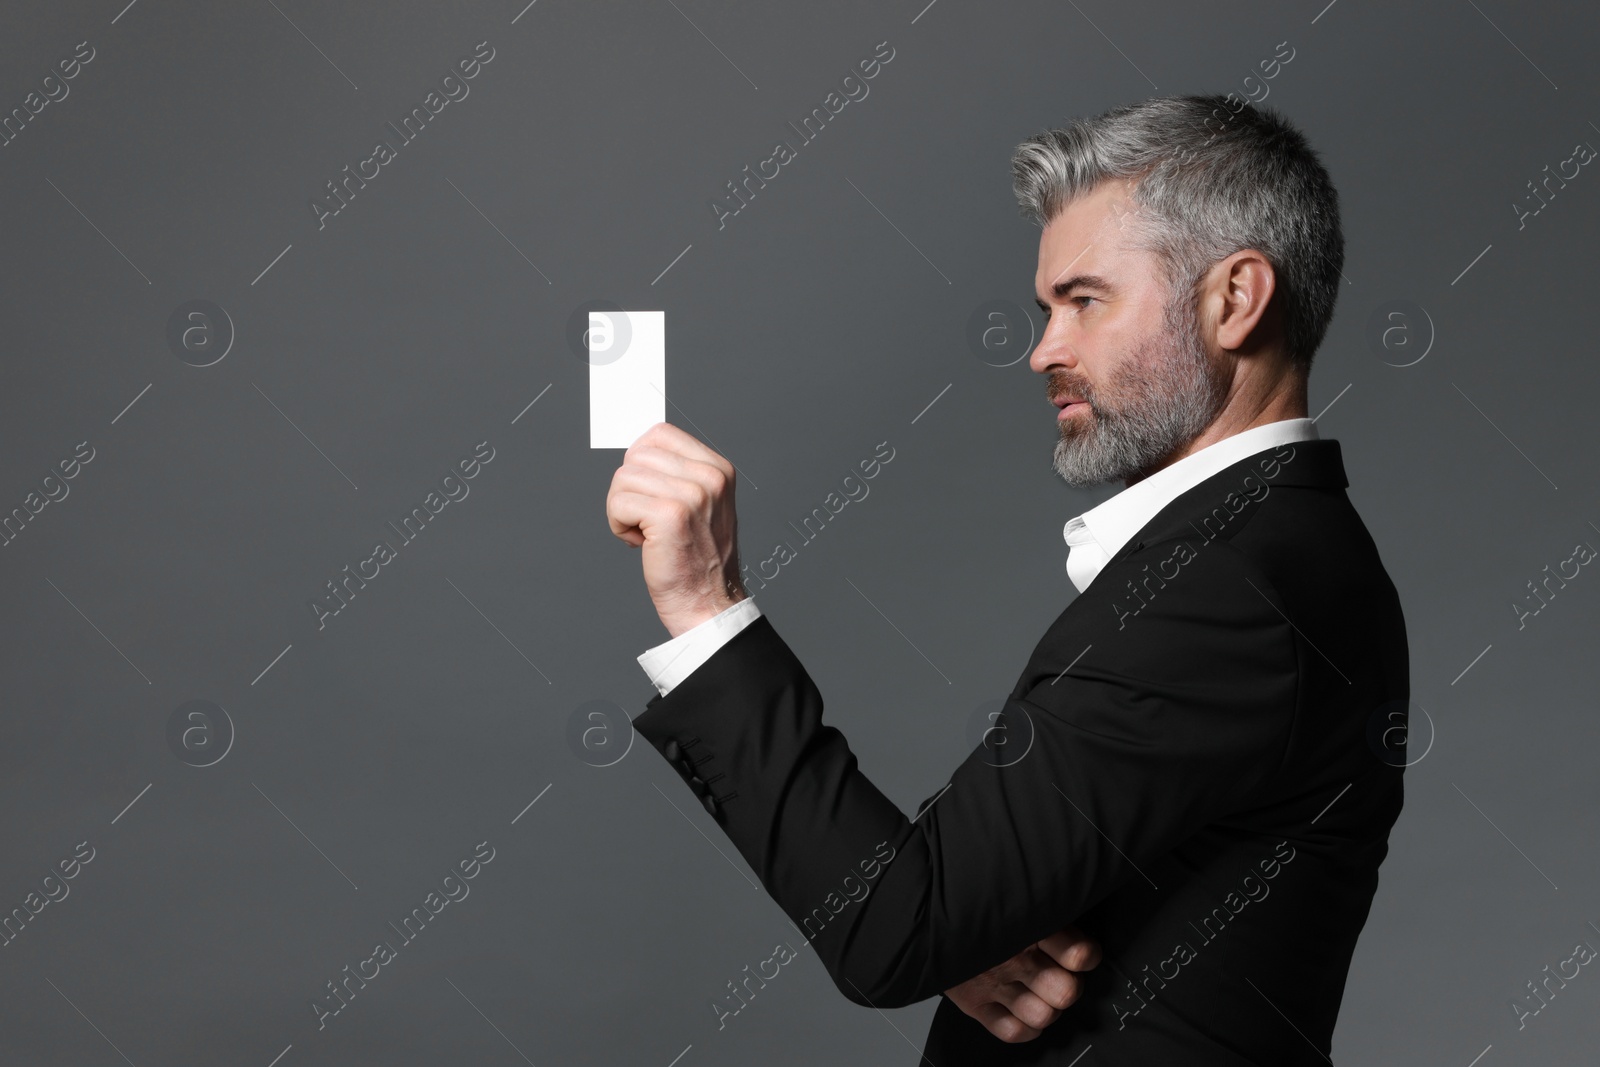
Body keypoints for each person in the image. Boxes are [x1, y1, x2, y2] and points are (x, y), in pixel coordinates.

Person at [606, 93, 1408, 1064]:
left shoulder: (1226, 587)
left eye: (1084, 300)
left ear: (1232, 299)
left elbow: (894, 925)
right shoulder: (1264, 549)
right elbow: (952, 899)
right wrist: (964, 924)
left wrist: (703, 602)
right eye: (1045, 308)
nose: (1043, 350)